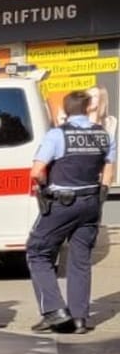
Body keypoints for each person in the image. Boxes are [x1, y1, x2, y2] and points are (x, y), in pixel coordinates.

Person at [27, 89, 114, 334]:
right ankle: (79, 320)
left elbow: (37, 171)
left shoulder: (57, 135)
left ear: (65, 111)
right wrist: (102, 193)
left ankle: (54, 312)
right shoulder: (103, 135)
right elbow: (109, 166)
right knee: (80, 261)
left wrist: (44, 188)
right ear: (88, 109)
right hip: (91, 203)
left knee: (38, 252)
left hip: (62, 203)